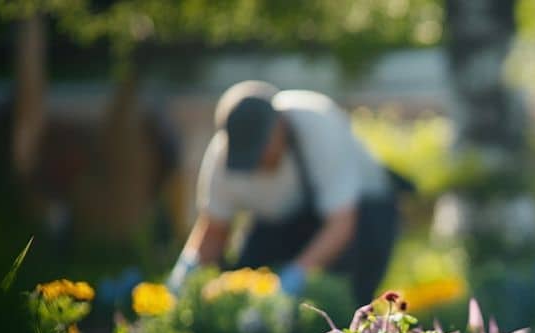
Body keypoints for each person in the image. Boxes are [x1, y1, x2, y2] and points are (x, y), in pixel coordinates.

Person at [167, 80, 403, 304]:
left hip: (363, 216)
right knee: (248, 283)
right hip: (280, 221)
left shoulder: (318, 124)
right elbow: (214, 230)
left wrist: (293, 277)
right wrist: (181, 280)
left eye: (262, 150)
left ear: (279, 126)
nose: (259, 161)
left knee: (343, 296)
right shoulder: (223, 156)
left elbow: (341, 224)